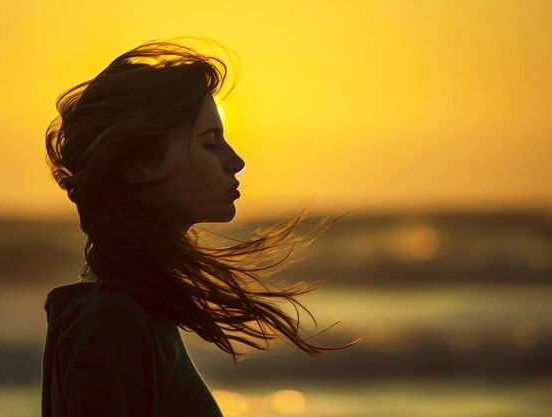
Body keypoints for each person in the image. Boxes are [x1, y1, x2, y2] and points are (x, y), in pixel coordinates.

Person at [41, 36, 361, 417]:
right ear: (140, 162)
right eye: (211, 143)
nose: (236, 161)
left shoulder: (125, 311)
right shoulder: (114, 323)